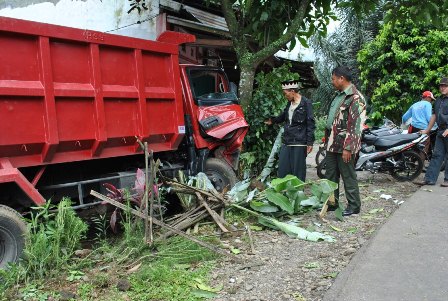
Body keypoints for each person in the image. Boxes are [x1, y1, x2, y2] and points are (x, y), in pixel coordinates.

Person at [324, 66, 367, 216]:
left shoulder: (355, 98)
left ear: (341, 78)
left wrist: (348, 148)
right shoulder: (339, 95)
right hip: (332, 142)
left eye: (333, 78)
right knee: (330, 174)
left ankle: (354, 206)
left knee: (348, 175)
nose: (332, 81)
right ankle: (331, 203)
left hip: (345, 144)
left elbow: (356, 126)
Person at [264, 79, 315, 181]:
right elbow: (284, 116)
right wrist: (273, 120)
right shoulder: (289, 103)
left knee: (298, 172)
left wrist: (310, 142)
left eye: (285, 93)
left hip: (299, 142)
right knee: (283, 170)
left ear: (292, 91)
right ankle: (284, 193)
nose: (285, 95)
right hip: (287, 140)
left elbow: (310, 123)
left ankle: (298, 194)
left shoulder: (306, 103)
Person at [414, 77, 448, 187]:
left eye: (445, 86)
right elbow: (434, 116)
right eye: (441, 86)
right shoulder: (438, 100)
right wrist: (427, 130)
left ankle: (447, 180)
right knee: (437, 155)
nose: (442, 88)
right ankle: (429, 179)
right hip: (441, 131)